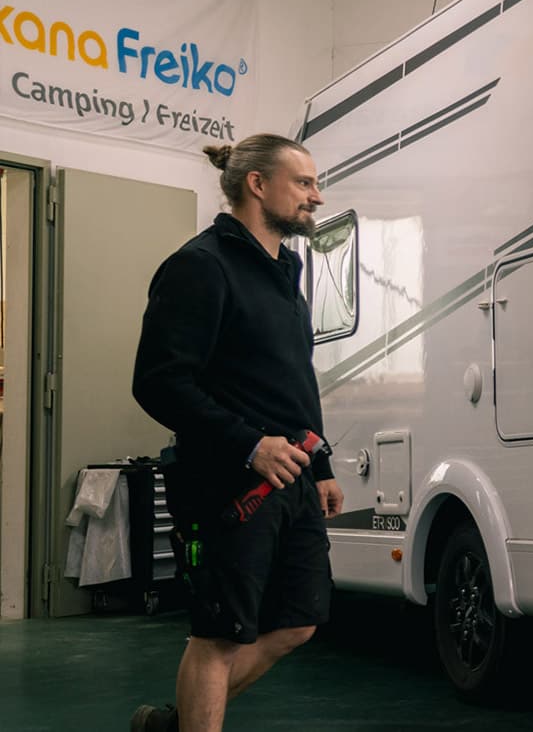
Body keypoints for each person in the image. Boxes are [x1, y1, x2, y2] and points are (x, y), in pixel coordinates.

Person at [129, 133, 340, 732]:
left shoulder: (286, 268)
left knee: (298, 624)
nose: (317, 196)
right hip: (226, 483)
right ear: (258, 184)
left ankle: (174, 725)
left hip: (292, 477)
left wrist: (321, 466)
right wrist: (249, 445)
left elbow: (295, 379)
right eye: (304, 182)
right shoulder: (201, 266)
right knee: (219, 635)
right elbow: (159, 383)